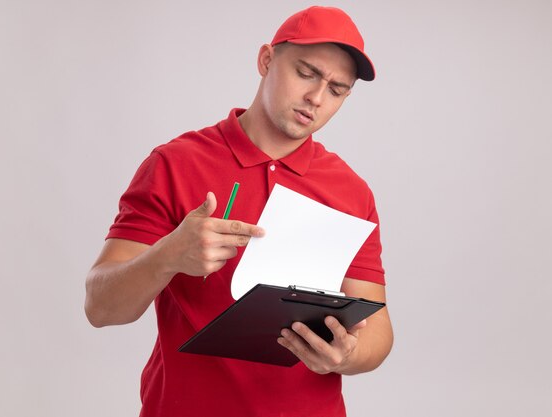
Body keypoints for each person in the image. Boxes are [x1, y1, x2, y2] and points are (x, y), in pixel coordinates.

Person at [85, 5, 393, 417]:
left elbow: (379, 333)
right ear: (266, 60)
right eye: (306, 73)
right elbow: (100, 307)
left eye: (337, 90)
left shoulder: (351, 191)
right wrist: (169, 255)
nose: (316, 98)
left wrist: (346, 355)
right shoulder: (175, 164)